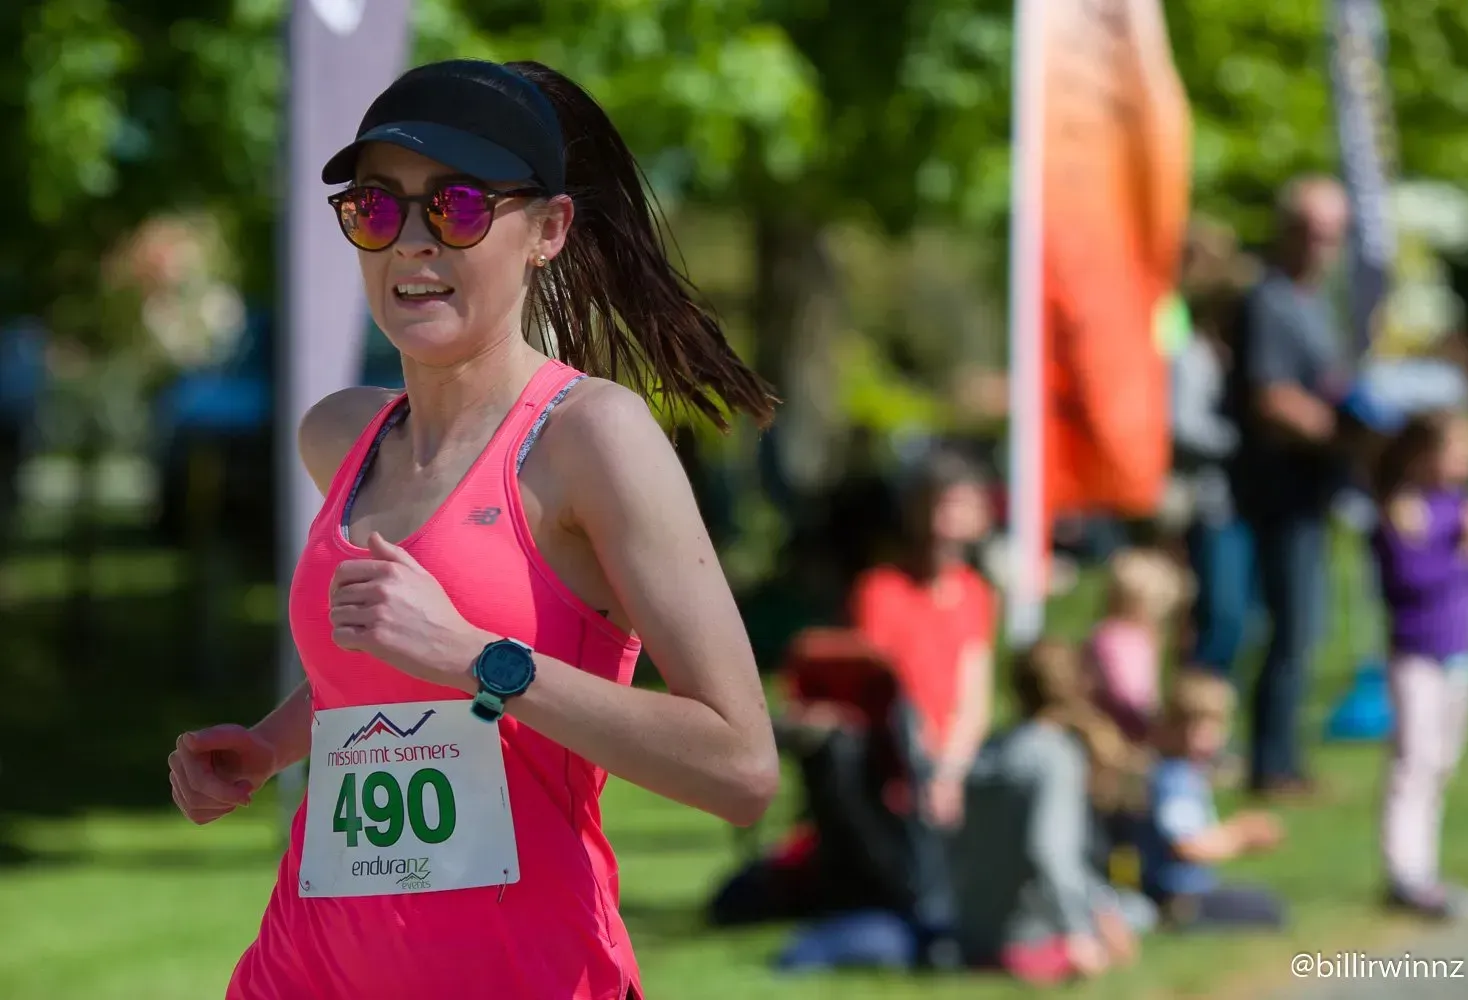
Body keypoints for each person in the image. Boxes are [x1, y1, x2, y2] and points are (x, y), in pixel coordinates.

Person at [165, 59, 780, 999]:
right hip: (300, 974)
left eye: (456, 207)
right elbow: (375, 670)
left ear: (548, 230)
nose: (411, 240)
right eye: (377, 207)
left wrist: (473, 658)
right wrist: (271, 744)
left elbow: (740, 769)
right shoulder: (340, 436)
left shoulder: (590, 438)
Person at [1225, 175, 1352, 798]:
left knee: (1305, 627)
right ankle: (1271, 765)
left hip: (1310, 492)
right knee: (1287, 626)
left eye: (1332, 234)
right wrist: (1346, 433)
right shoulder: (1269, 301)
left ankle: (1285, 759)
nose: (1320, 246)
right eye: (1310, 232)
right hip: (1275, 492)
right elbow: (1271, 398)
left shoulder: (1318, 302)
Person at [953, 639, 1144, 985]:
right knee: (1136, 910)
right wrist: (1079, 934)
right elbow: (1050, 852)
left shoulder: (988, 752)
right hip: (1028, 940)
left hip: (969, 934)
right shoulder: (1054, 757)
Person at [1369, 410, 1468, 919]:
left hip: (1460, 650)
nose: (1465, 463)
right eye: (1455, 452)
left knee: (1441, 762)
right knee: (1414, 760)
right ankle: (1405, 871)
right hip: (1416, 652)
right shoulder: (1403, 510)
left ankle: (1426, 868)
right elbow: (1409, 581)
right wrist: (1460, 550)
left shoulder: (1465, 509)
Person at [849, 447, 998, 830]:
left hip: (955, 766)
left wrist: (948, 773)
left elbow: (974, 694)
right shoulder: (881, 589)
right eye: (942, 503)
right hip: (894, 765)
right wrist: (921, 765)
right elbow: (881, 686)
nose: (950, 517)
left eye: (962, 504)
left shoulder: (976, 593)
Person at [1173, 220, 1260, 679]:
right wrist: (1243, 441)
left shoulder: (1237, 359)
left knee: (1244, 623)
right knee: (1220, 620)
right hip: (1211, 506)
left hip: (1246, 505)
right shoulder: (1190, 356)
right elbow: (1182, 426)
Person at [1139, 671, 1286, 931]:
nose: (1203, 737)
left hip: (1192, 891)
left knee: (1263, 900)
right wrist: (1241, 836)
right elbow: (1187, 845)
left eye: (1214, 727)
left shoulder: (1186, 773)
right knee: (1268, 906)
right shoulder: (1174, 780)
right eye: (1193, 727)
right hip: (1179, 896)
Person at [1087, 547, 1193, 745]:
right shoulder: (1111, 637)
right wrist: (1151, 717)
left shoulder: (1145, 638)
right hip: (1113, 728)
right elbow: (1121, 689)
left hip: (1136, 724)